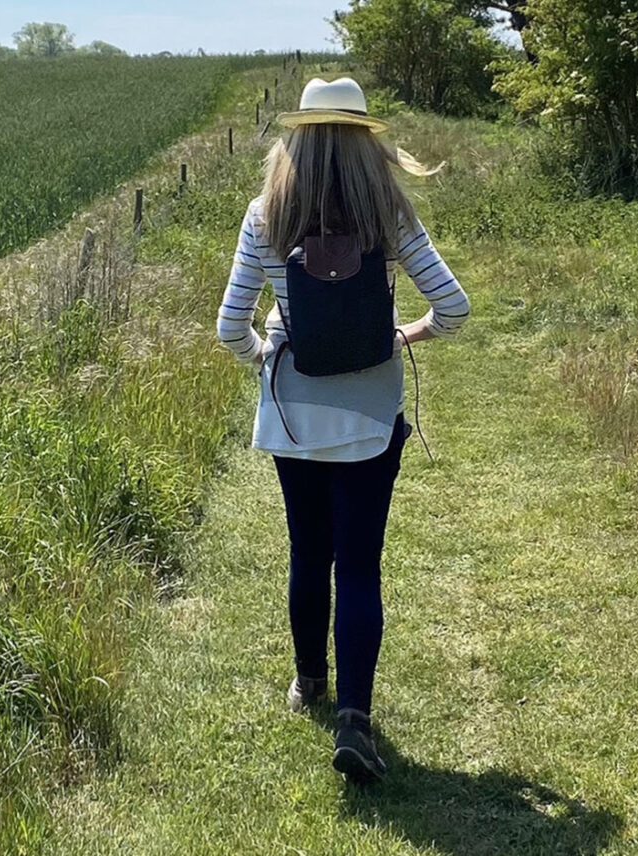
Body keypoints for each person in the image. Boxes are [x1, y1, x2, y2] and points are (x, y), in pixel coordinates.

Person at [216, 76, 469, 783]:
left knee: (308, 551)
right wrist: (403, 335)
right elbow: (454, 306)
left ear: (295, 138)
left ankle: (310, 684)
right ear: (365, 142)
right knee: (360, 563)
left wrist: (267, 356)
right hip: (369, 417)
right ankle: (355, 716)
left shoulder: (265, 217)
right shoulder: (388, 213)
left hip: (293, 414)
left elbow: (228, 326)